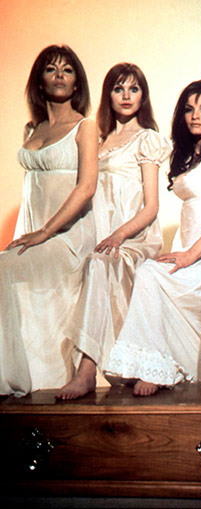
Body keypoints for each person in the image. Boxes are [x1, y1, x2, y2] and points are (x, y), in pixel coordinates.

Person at [105, 79, 201, 396]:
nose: (195, 116)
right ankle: (154, 364)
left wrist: (189, 256)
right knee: (148, 271)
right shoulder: (190, 154)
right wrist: (178, 252)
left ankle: (154, 368)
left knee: (149, 274)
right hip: (187, 250)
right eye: (189, 109)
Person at [57, 63, 171, 400]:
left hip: (134, 237)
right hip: (100, 235)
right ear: (108, 94)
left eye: (134, 89)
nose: (126, 96)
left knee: (100, 264)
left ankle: (87, 371)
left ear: (143, 96)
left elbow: (151, 207)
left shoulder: (147, 139)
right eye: (119, 88)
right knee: (80, 264)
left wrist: (119, 236)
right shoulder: (99, 141)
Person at [0, 45, 98, 397]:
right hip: (34, 232)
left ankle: (8, 380)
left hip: (69, 238)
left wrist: (45, 232)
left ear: (77, 83)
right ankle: (23, 375)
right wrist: (30, 233)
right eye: (51, 69)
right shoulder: (33, 129)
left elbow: (86, 188)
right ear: (39, 81)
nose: (59, 75)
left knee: (0, 268)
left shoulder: (85, 127)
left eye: (67, 70)